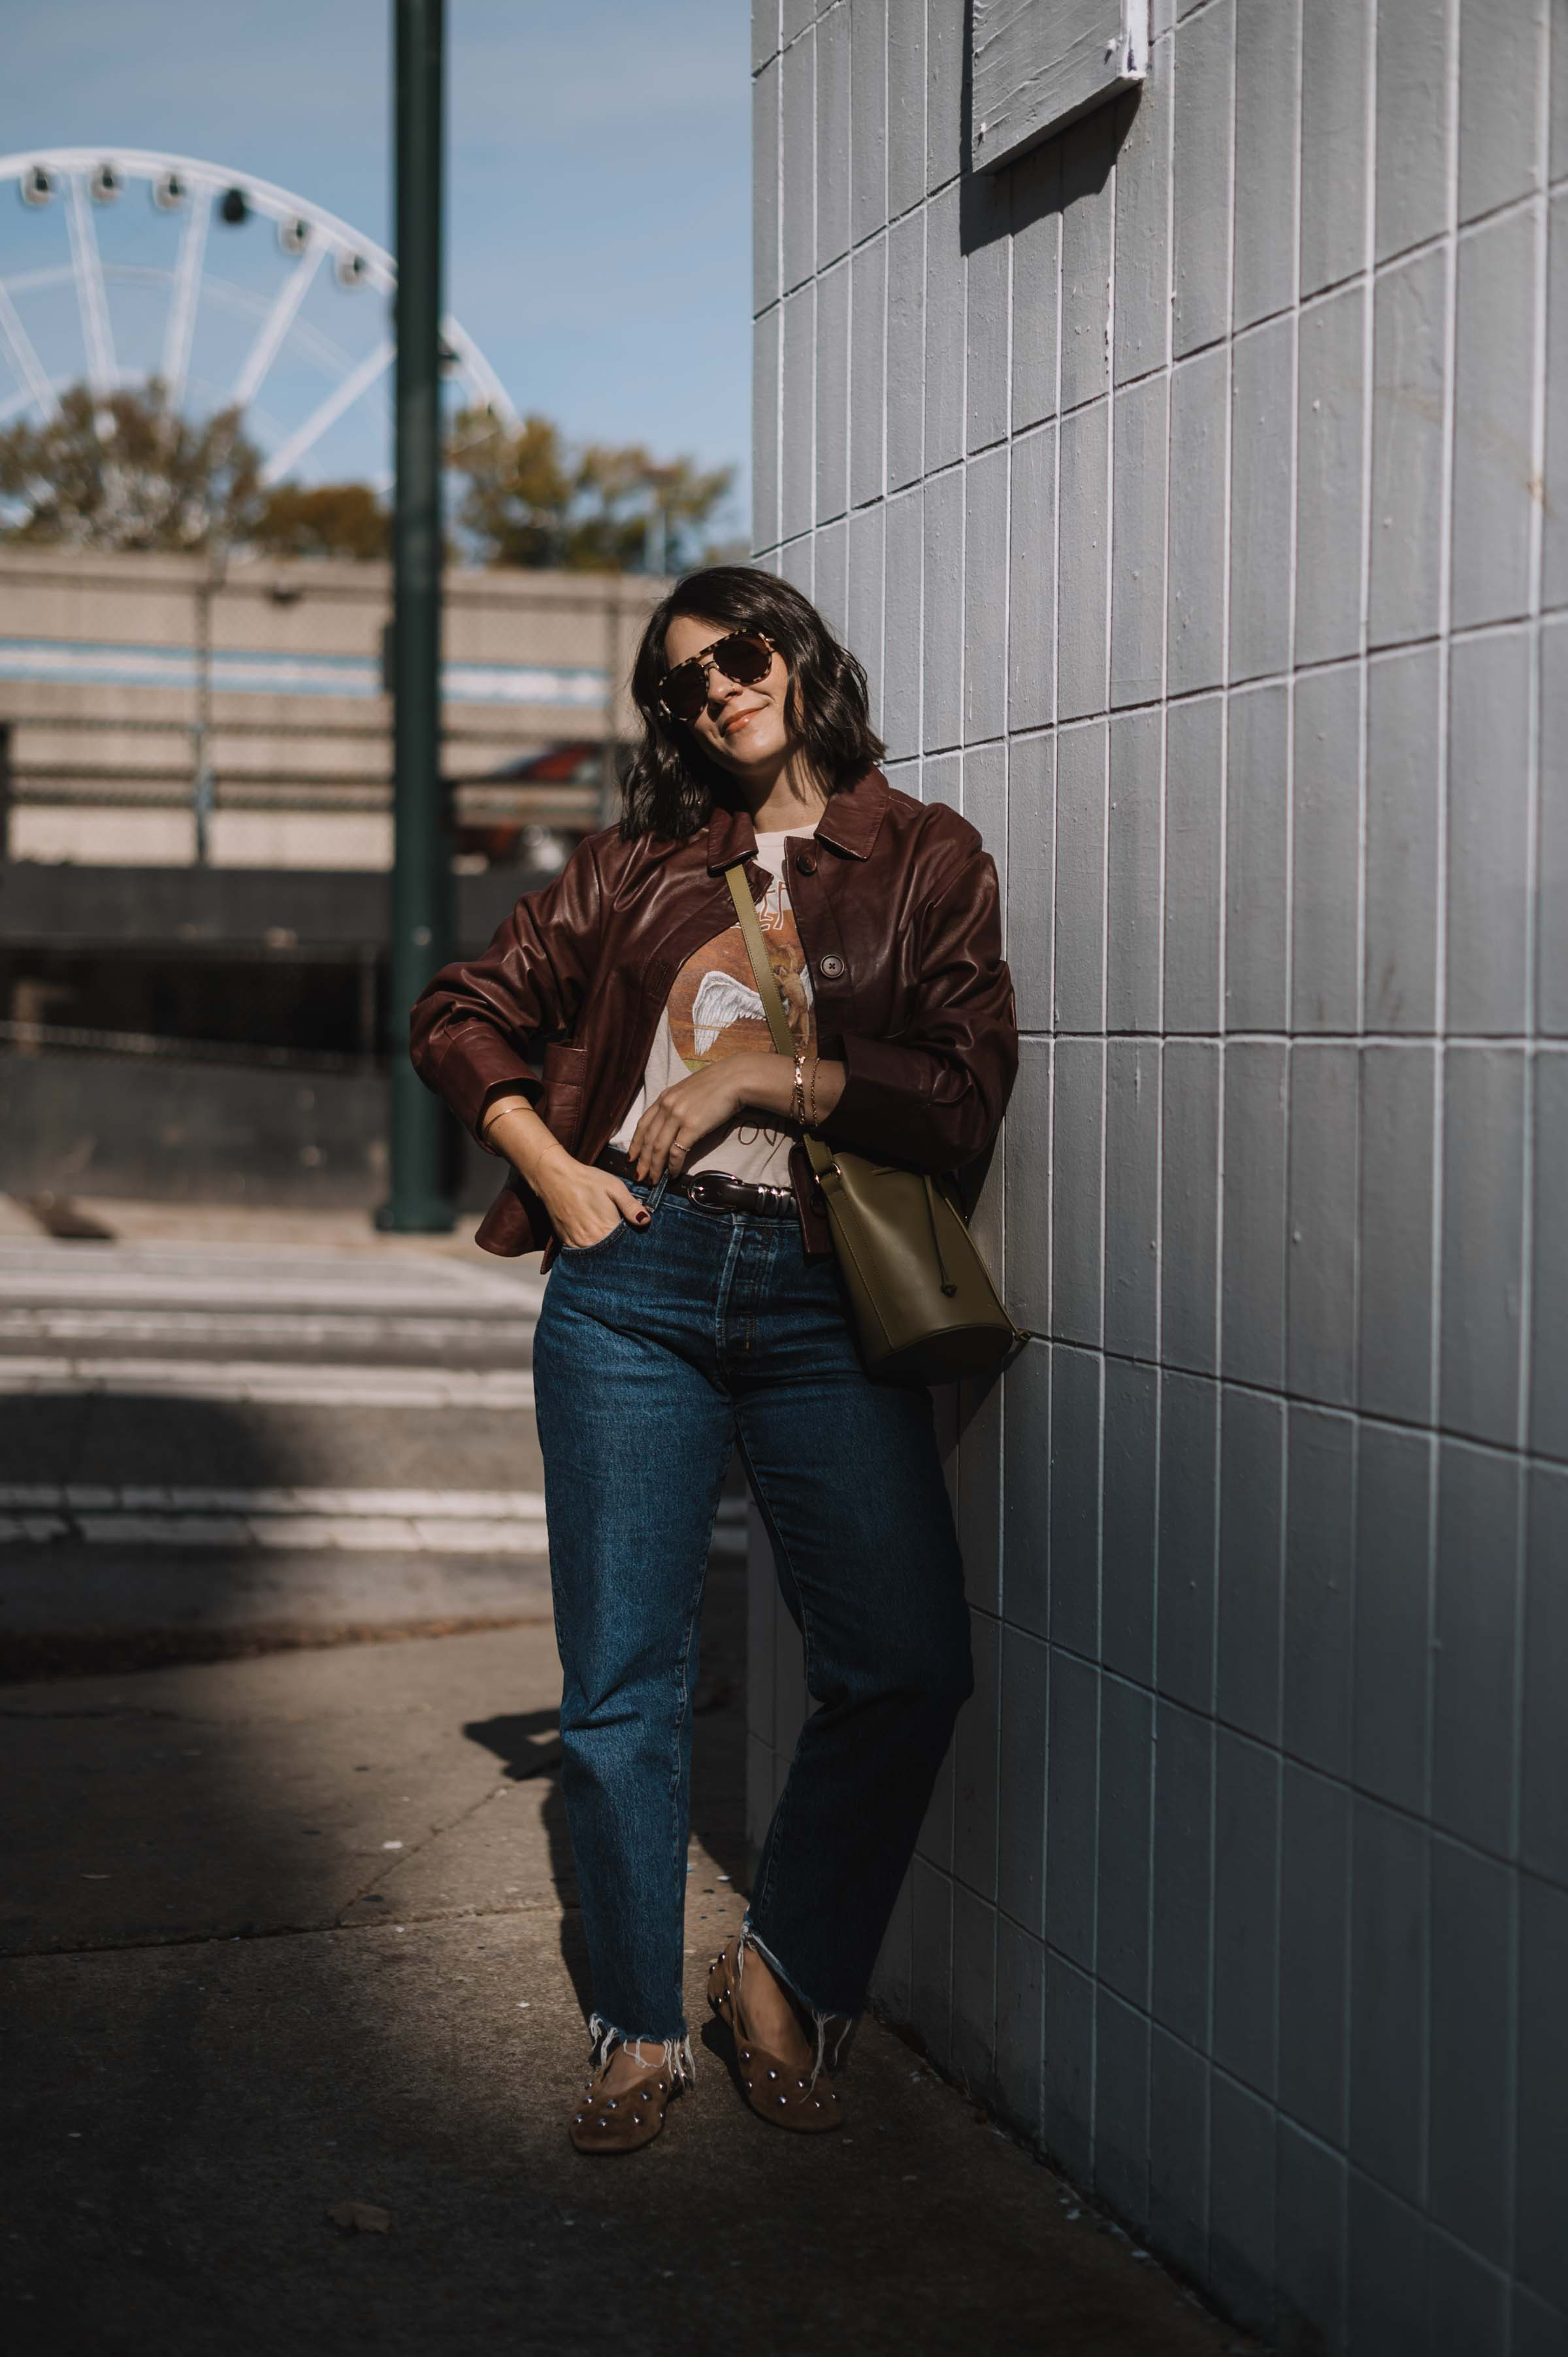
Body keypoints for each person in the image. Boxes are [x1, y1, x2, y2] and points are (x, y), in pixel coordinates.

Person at [410, 567, 1017, 2154]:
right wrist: (552, 1173)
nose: (717, 693)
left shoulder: (926, 857)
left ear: (799, 654)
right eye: (681, 684)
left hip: (826, 1300)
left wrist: (768, 1066)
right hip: (637, 1283)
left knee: (904, 1661)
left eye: (739, 657)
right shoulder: (637, 868)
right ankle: (630, 2024)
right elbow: (459, 1008)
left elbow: (959, 1096)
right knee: (623, 1684)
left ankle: (783, 1963)